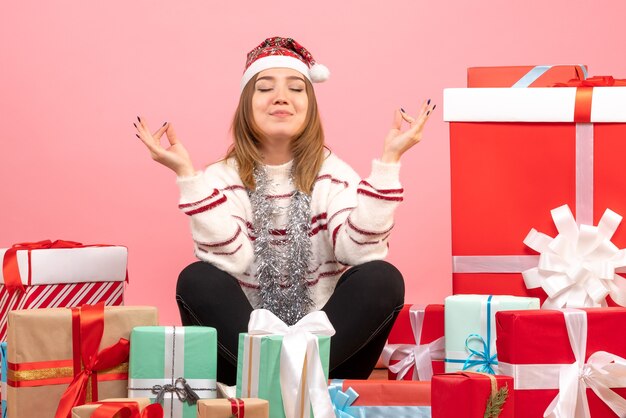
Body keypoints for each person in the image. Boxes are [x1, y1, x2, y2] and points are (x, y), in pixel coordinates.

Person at [135, 37, 434, 385]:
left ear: (310, 107)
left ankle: (287, 380)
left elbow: (359, 250)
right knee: (196, 279)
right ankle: (279, 381)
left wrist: (389, 163)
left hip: (327, 356)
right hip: (244, 358)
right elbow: (232, 260)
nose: (281, 97)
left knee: (382, 278)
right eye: (265, 88)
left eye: (296, 88)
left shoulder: (333, 173)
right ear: (246, 105)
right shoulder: (221, 176)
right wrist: (187, 176)